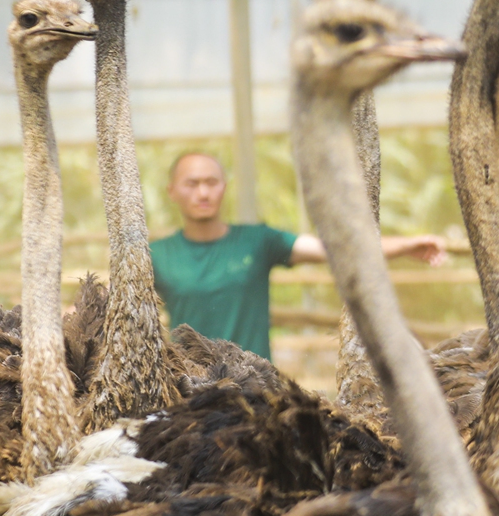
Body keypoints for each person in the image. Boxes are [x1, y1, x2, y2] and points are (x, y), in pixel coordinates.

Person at [151, 152, 449, 360]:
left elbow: (336, 249)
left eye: (211, 182)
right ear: (172, 191)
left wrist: (406, 246)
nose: (203, 193)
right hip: (186, 392)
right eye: (192, 183)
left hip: (254, 388)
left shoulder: (257, 241)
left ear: (224, 187)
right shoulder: (158, 255)